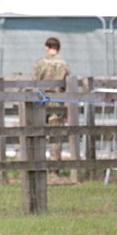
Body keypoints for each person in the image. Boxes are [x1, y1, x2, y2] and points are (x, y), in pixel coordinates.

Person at [32, 37, 72, 171]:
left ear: (47, 47)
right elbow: (68, 86)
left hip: (41, 102)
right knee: (55, 134)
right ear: (58, 48)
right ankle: (54, 167)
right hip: (57, 103)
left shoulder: (40, 63)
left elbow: (33, 82)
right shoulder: (64, 65)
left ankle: (38, 163)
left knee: (38, 132)